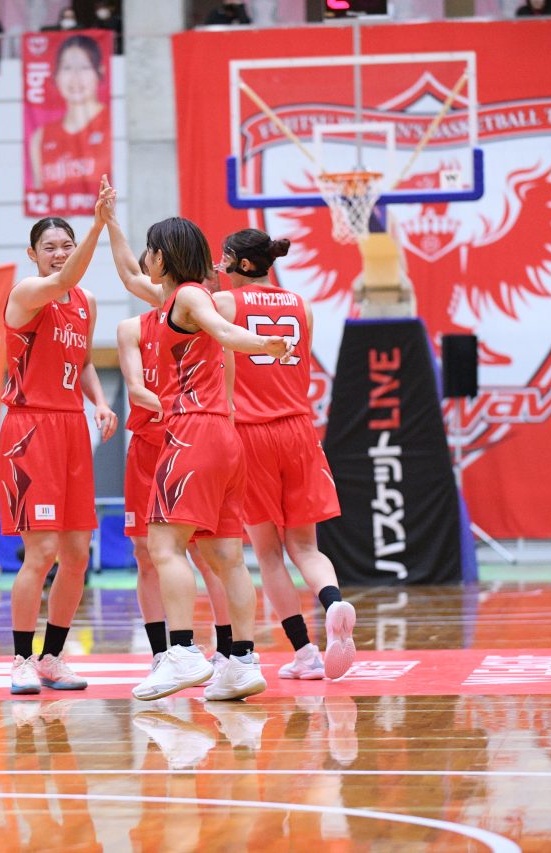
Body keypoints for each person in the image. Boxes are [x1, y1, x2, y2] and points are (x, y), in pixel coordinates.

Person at [98, 177, 293, 701]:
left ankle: (182, 652)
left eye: (149, 250)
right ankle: (242, 663)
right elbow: (128, 272)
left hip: (191, 431)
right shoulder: (173, 301)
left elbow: (226, 333)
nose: (144, 258)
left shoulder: (188, 297)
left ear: (163, 257)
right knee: (227, 556)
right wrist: (110, 224)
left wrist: (265, 344)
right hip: (224, 436)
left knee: (163, 545)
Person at [216, 228, 357, 680]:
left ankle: (305, 653)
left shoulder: (224, 304)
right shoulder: (302, 305)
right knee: (306, 546)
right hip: (298, 429)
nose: (219, 264)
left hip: (252, 433)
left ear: (241, 263)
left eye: (224, 258)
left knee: (268, 553)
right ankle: (333, 602)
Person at [0, 204, 118, 695]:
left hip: (71, 427)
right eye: (49, 247)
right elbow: (65, 278)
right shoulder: (27, 293)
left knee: (76, 554)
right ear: (33, 254)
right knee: (42, 552)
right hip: (30, 429)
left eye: (66, 245)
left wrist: (100, 402)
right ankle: (21, 660)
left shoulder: (86, 301)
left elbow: (84, 361)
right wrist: (98, 227)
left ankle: (52, 657)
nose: (59, 254)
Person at [116, 305, 234, 674]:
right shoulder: (133, 328)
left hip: (189, 443)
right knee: (145, 553)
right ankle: (160, 653)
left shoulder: (203, 320)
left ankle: (227, 650)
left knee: (205, 552)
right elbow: (136, 389)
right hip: (148, 448)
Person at [29, 35, 110, 211]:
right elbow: (40, 199)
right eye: (67, 68)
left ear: (100, 71)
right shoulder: (40, 137)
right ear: (56, 76)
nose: (75, 78)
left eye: (84, 67)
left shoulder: (112, 125)